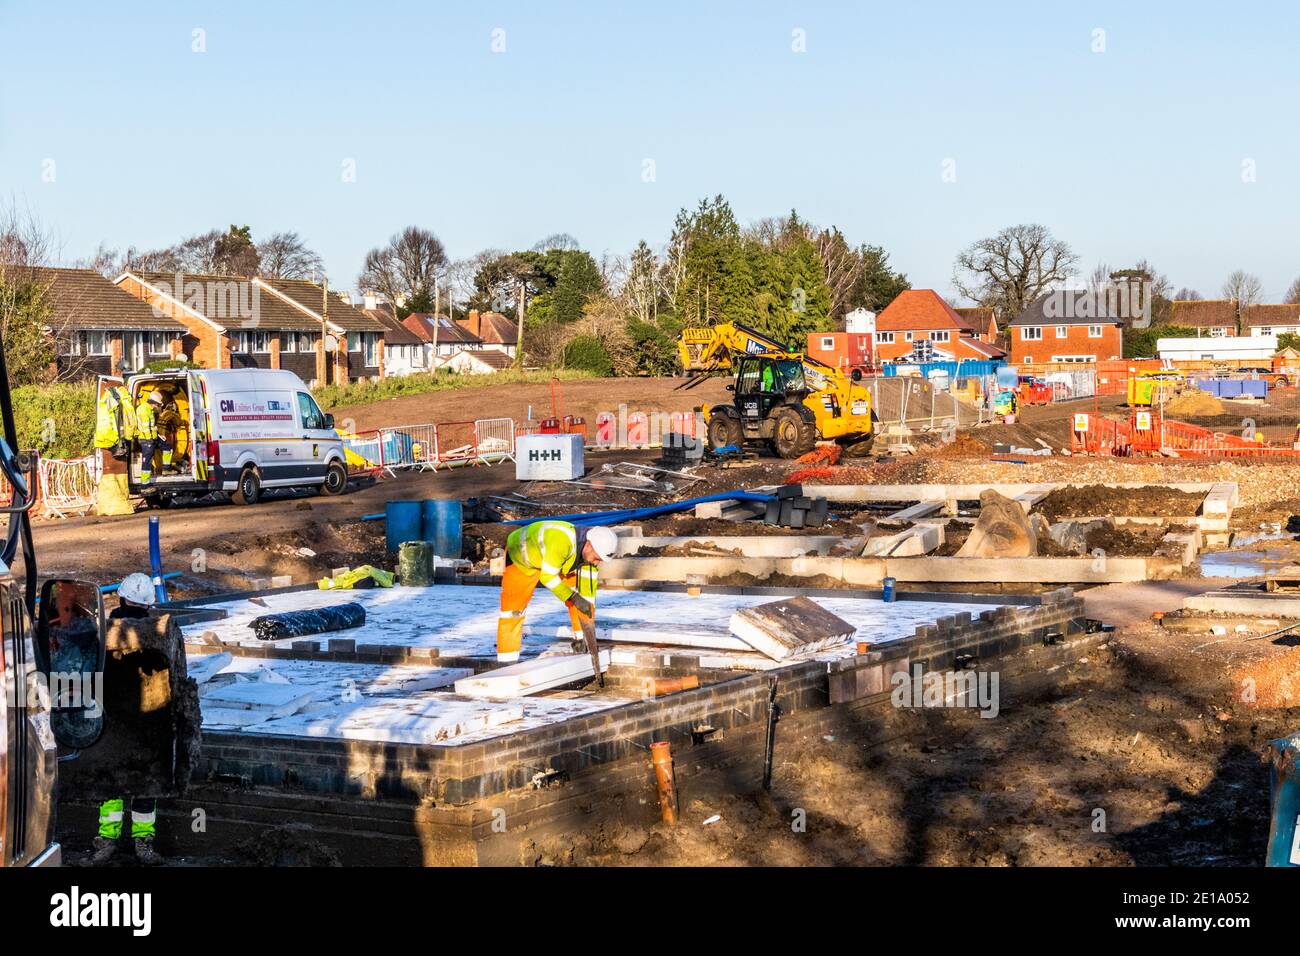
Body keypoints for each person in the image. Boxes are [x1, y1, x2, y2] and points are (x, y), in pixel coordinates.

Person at [92, 572, 162, 866]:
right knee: (145, 785)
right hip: (145, 723)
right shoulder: (157, 631)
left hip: (112, 723)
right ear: (148, 604)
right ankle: (142, 843)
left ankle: (107, 841)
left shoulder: (102, 630)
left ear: (120, 597)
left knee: (112, 784)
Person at [496, 522, 618, 663]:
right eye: (597, 558)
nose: (596, 563)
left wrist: (585, 637)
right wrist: (572, 596)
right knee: (513, 612)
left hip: (554, 559)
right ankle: (506, 660)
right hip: (521, 557)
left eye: (600, 560)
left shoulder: (588, 557)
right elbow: (547, 578)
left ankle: (579, 639)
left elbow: (587, 597)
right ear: (589, 545)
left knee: (577, 596)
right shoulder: (562, 542)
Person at [135, 390, 171, 483]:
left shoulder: (149, 409)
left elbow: (152, 427)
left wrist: (160, 436)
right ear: (154, 404)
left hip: (153, 437)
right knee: (147, 462)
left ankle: (166, 469)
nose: (158, 407)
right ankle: (145, 485)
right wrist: (149, 440)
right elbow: (145, 428)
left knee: (167, 447)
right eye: (158, 405)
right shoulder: (143, 410)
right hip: (146, 440)